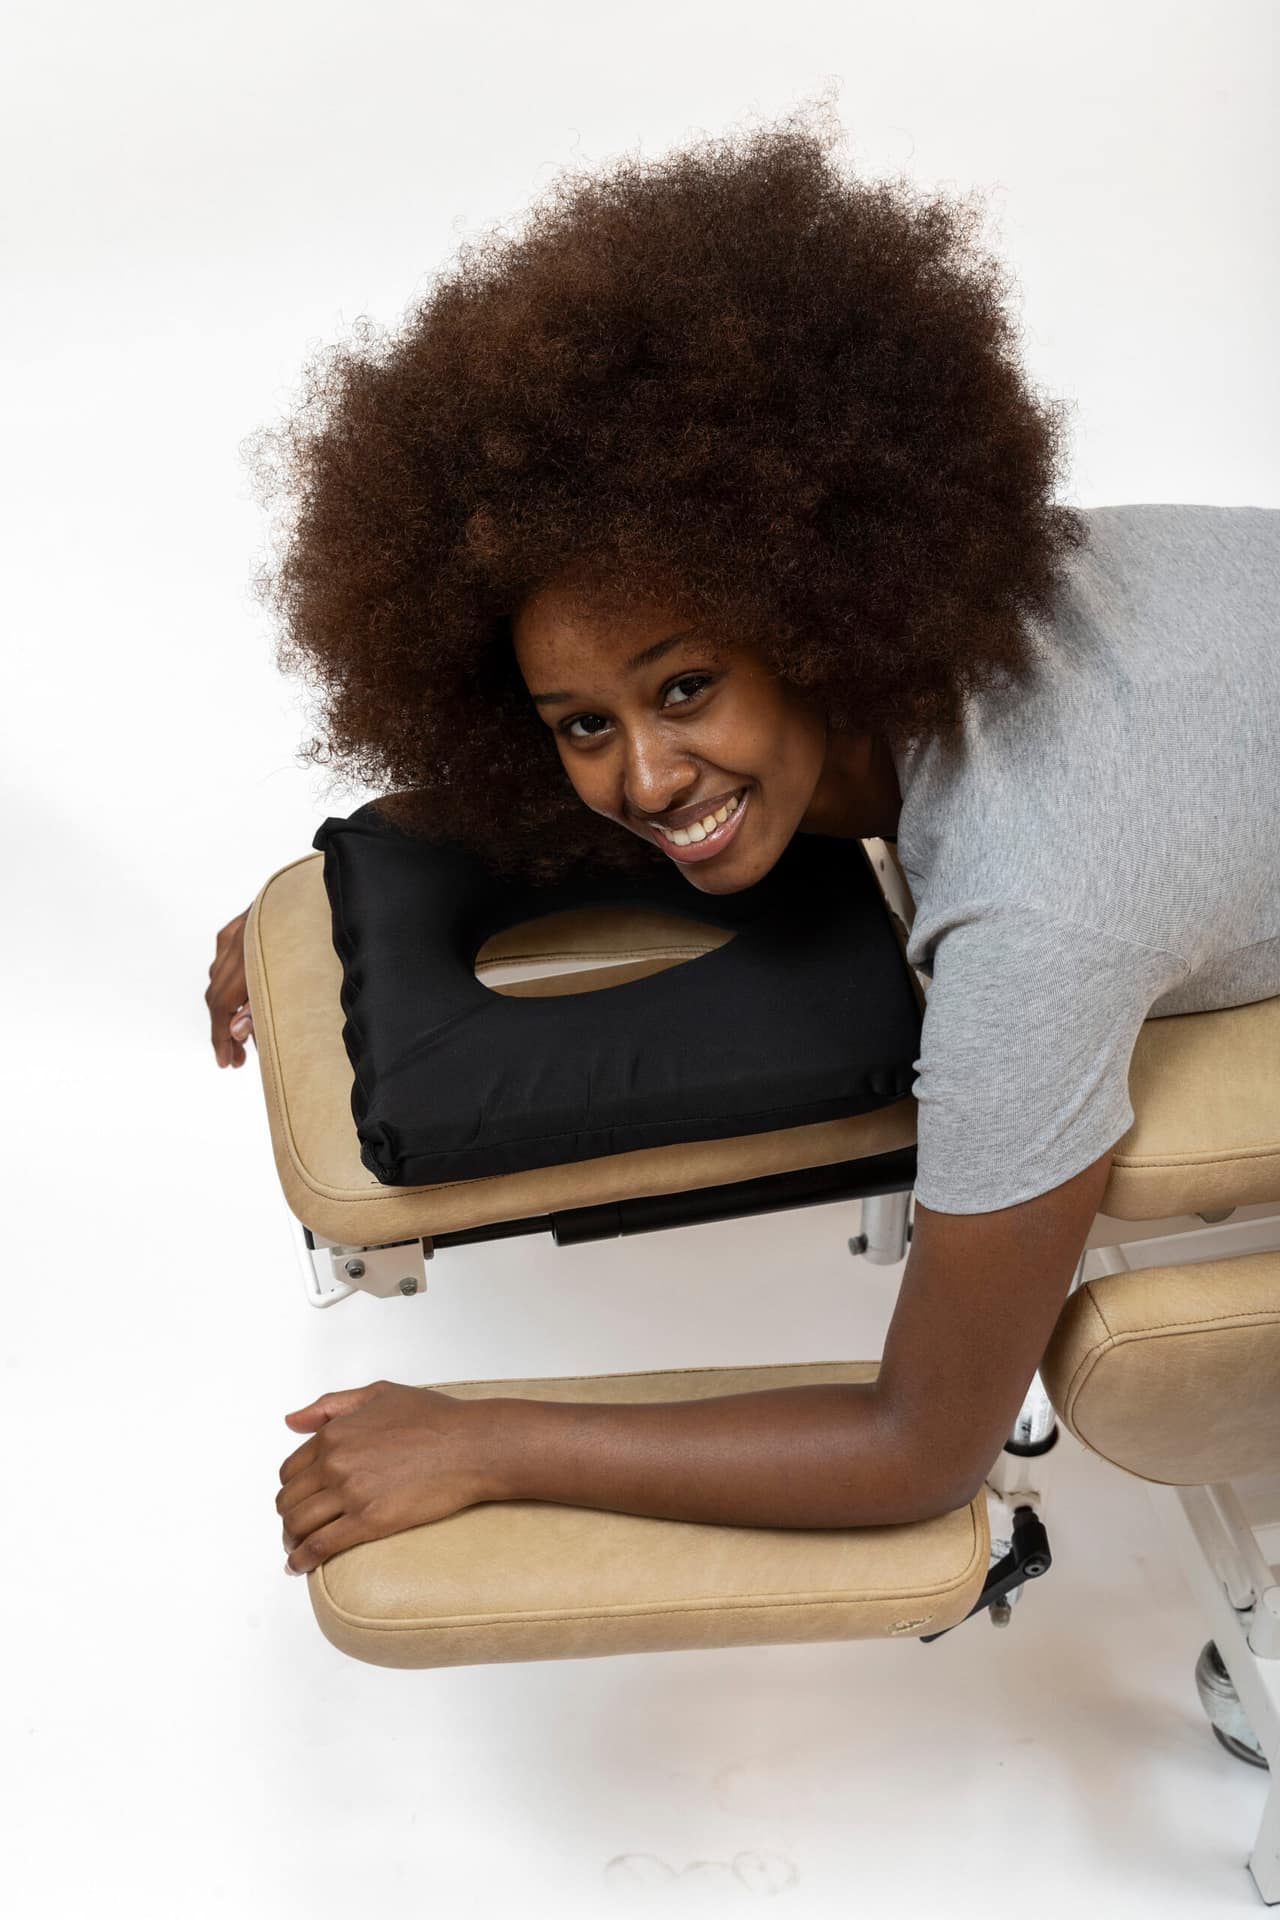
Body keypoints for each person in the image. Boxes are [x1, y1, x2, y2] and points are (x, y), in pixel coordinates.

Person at [206, 110, 1279, 1576]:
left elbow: (920, 1446)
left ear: (814, 616)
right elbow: (615, 764)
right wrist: (335, 909)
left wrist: (485, 1437)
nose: (645, 774)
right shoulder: (950, 619)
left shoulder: (1038, 911)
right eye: (583, 724)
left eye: (686, 687)